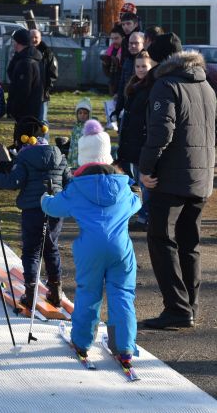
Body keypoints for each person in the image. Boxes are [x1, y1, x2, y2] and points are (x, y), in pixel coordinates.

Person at [139, 50, 217, 330]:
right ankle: (190, 305)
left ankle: (177, 307)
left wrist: (146, 167)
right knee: (189, 242)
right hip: (202, 179)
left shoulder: (166, 85)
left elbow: (162, 131)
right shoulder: (206, 86)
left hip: (171, 178)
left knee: (161, 238)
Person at [41, 123, 141, 365]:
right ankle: (124, 346)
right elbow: (137, 204)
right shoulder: (123, 187)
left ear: (83, 158)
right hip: (121, 249)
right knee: (123, 295)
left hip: (90, 250)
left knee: (89, 293)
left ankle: (83, 341)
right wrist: (136, 193)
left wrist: (46, 196)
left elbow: (53, 208)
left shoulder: (77, 188)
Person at [0, 116, 71, 308]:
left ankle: (31, 294)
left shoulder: (24, 157)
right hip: (55, 209)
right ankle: (56, 291)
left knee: (32, 251)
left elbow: (13, 182)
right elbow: (69, 182)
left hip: (33, 210)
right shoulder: (59, 154)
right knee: (51, 248)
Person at [116, 51, 156, 227]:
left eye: (144, 67)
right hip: (131, 140)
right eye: (138, 66)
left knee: (145, 180)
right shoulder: (133, 86)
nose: (140, 70)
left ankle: (145, 216)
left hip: (142, 141)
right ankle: (142, 213)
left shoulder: (151, 88)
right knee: (138, 180)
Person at [6, 28, 43, 131]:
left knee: (25, 140)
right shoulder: (24, 58)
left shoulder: (26, 63)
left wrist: (14, 107)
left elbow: (23, 89)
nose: (13, 44)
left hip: (26, 111)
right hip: (28, 110)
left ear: (19, 43)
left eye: (15, 42)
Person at [30, 29, 58, 124]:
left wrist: (46, 88)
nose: (33, 39)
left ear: (40, 38)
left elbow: (53, 73)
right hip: (27, 94)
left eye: (36, 37)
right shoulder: (24, 52)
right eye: (31, 37)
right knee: (28, 120)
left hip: (42, 95)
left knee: (42, 121)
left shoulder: (48, 53)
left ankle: (43, 139)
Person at [67, 97, 92, 169]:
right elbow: (72, 143)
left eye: (85, 113)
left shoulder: (90, 127)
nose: (82, 115)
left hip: (85, 157)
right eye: (80, 113)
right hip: (75, 157)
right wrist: (70, 158)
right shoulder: (75, 127)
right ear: (77, 114)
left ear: (89, 114)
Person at [101, 25, 124, 97]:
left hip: (122, 86)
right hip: (113, 86)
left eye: (116, 38)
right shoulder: (110, 50)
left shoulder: (126, 51)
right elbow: (107, 74)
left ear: (123, 38)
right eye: (112, 39)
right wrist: (105, 64)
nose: (114, 41)